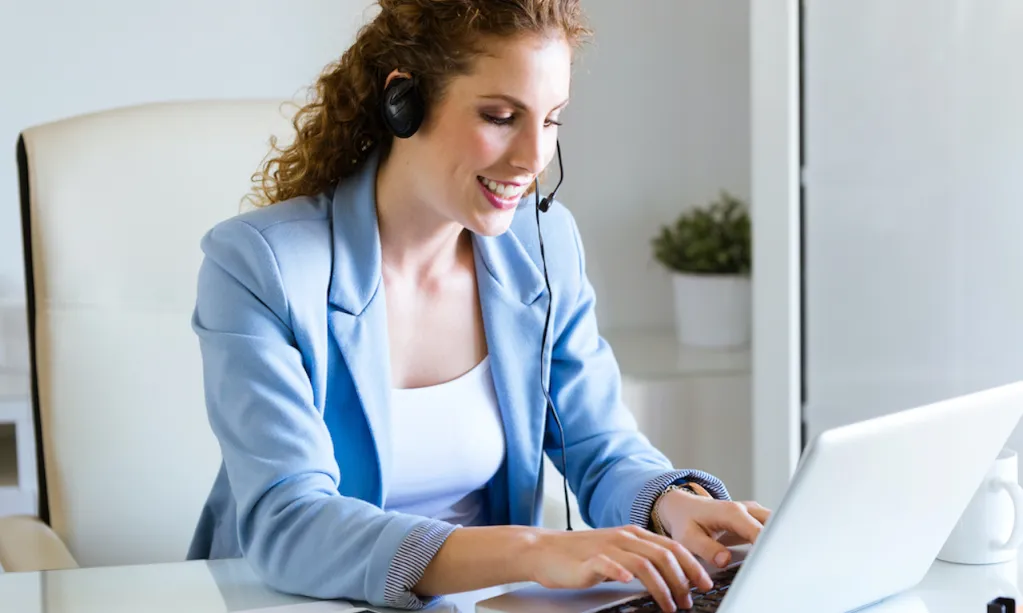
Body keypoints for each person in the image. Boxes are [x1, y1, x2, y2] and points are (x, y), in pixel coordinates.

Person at [186, 1, 771, 611]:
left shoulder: (541, 247)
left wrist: (670, 503)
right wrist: (533, 550)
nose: (531, 159)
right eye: (499, 116)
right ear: (403, 101)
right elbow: (290, 522)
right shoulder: (260, 267)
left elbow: (597, 441)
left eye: (551, 122)